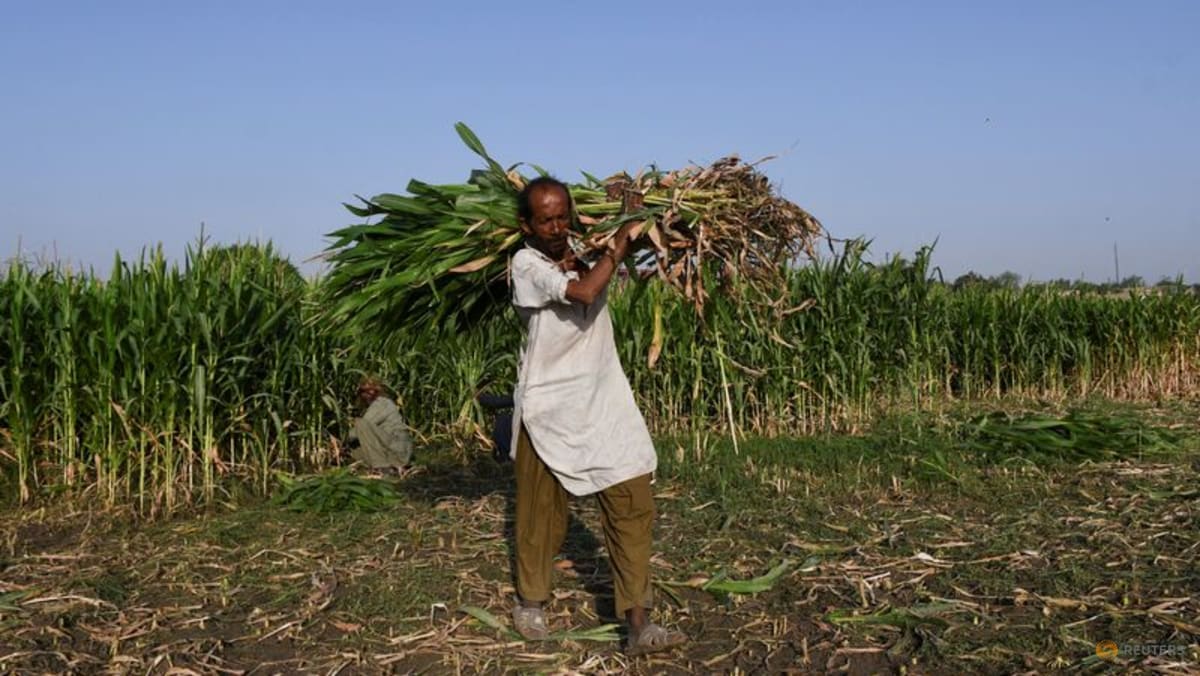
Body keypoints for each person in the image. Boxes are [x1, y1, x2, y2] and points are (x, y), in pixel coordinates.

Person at [508, 176, 686, 656]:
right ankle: (531, 602)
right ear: (526, 224)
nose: (556, 227)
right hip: (547, 406)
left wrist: (634, 218)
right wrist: (620, 240)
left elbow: (631, 249)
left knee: (632, 501)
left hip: (602, 400)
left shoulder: (587, 249)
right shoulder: (526, 265)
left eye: (563, 216)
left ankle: (638, 623)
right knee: (540, 516)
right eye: (545, 220)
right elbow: (585, 293)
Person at [345, 378, 413, 474]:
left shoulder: (381, 403)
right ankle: (388, 466)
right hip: (393, 448)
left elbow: (358, 431)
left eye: (371, 390)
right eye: (364, 391)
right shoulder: (377, 404)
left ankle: (382, 467)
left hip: (397, 449)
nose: (369, 393)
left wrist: (341, 438)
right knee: (354, 450)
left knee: (360, 423)